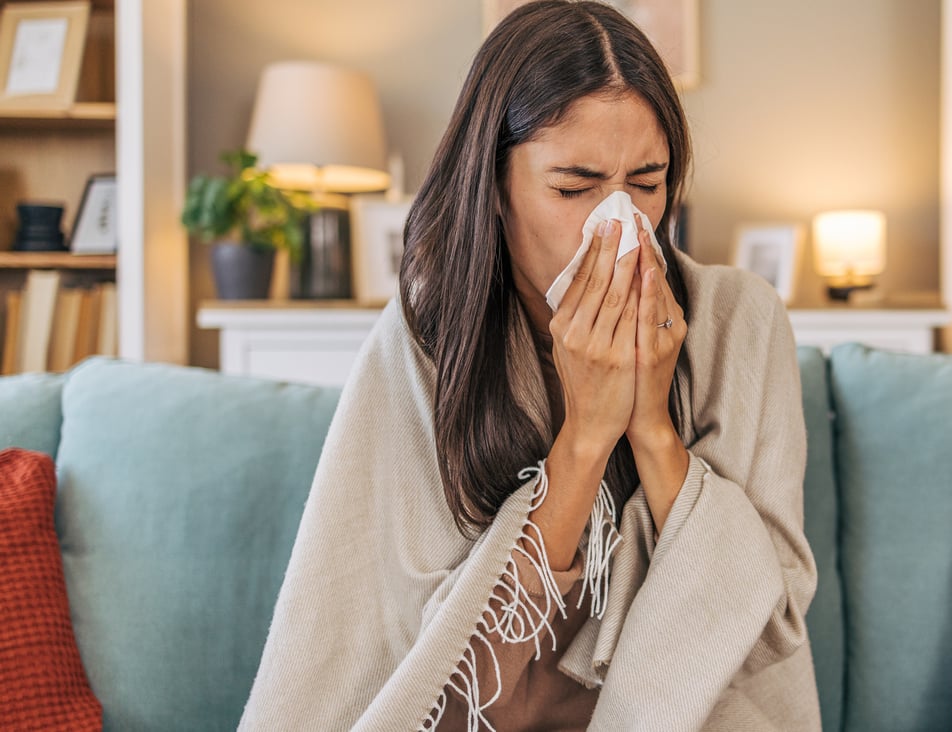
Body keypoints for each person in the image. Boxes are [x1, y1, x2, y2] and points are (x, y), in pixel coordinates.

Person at [238, 2, 818, 729]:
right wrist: (584, 436)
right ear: (494, 186)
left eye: (647, 182)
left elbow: (770, 630)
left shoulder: (740, 322)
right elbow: (423, 678)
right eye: (573, 188)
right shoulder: (427, 337)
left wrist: (651, 428)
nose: (622, 225)